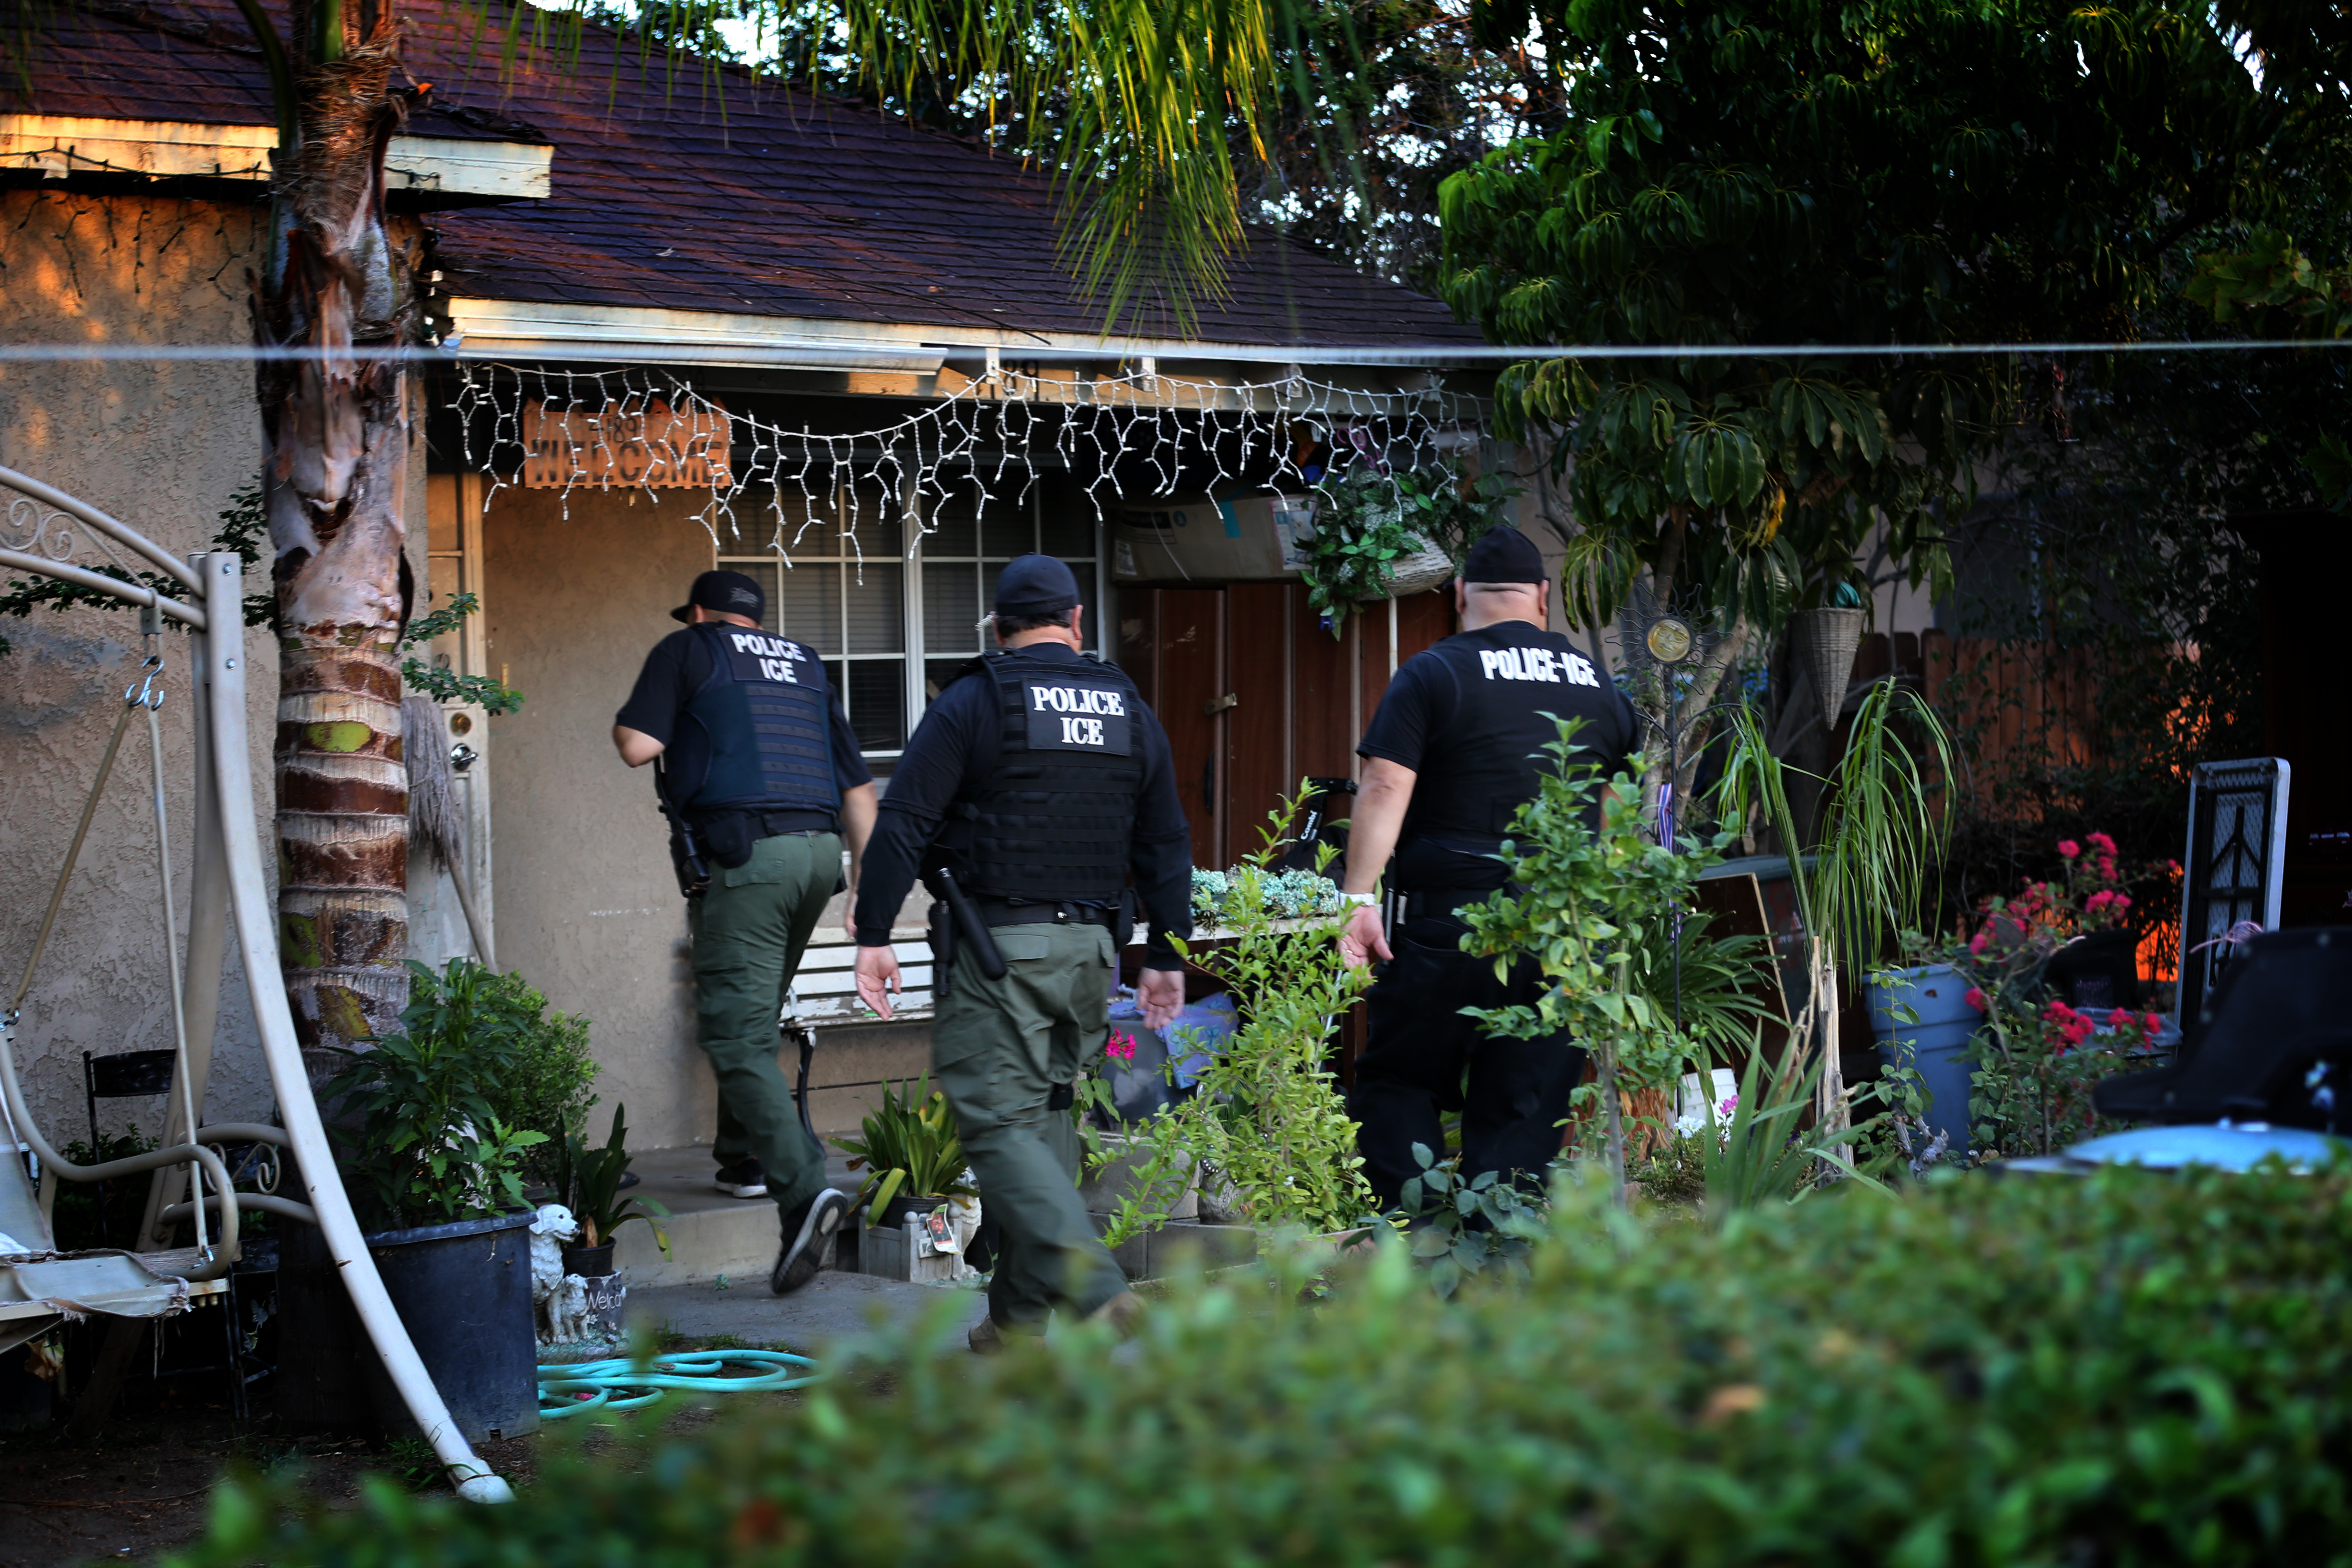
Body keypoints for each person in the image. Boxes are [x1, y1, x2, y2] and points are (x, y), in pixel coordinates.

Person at [850, 554, 1190, 1351]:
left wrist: (872, 934)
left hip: (1002, 949)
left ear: (998, 629)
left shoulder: (977, 698)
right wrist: (1167, 952)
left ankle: (1096, 1290)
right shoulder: (1128, 709)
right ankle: (1015, 1324)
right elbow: (1165, 837)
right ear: (1077, 623)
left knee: (996, 1123)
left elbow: (903, 822)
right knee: (1045, 1122)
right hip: (1090, 954)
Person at [1336, 527, 1640, 1209]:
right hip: (1560, 932)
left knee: (1403, 1084)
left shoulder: (1433, 672)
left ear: (1459, 595)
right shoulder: (1600, 688)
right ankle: (1501, 1269)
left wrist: (1357, 897)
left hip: (1448, 925)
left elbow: (1385, 784)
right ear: (1543, 597)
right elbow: (1617, 810)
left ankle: (1416, 1254)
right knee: (1524, 1105)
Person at [612, 568, 878, 1295]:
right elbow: (858, 789)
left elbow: (637, 744)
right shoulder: (805, 664)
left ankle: (802, 1192)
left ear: (701, 613)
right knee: (754, 1014)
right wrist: (868, 890)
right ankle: (745, 1158)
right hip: (818, 857)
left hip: (749, 857)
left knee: (734, 1034)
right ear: (757, 622)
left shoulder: (688, 648)